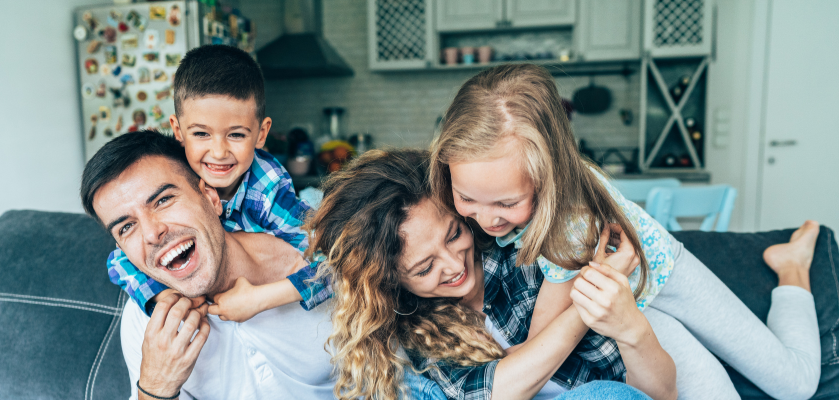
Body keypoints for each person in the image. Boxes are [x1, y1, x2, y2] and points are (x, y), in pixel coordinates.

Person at [429, 63, 820, 399]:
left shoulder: (570, 225)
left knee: (795, 384)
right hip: (633, 312)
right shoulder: (477, 194)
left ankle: (791, 269)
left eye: (507, 204)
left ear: (549, 177)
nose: (486, 220)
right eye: (467, 199)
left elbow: (538, 348)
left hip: (665, 279)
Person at [305, 149, 677, 400]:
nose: (454, 266)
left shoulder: (530, 257)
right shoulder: (416, 330)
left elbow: (654, 393)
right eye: (425, 268)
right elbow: (497, 393)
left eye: (454, 234)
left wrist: (609, 306)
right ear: (392, 282)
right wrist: (587, 301)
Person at [80, 130, 336, 399]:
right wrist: (155, 387)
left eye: (163, 200)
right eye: (127, 227)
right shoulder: (146, 324)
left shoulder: (314, 265)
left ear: (212, 198)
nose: (151, 233)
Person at [105, 45, 318, 318]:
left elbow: (336, 265)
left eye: (237, 135)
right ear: (178, 131)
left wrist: (259, 299)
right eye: (201, 134)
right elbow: (120, 260)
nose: (218, 152)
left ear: (261, 134)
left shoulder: (268, 192)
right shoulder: (172, 176)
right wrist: (162, 295)